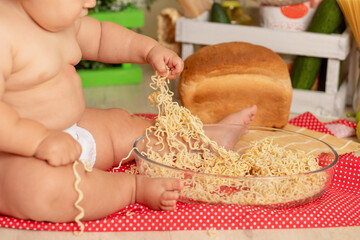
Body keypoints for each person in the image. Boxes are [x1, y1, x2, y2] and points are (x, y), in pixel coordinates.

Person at [0, 0, 257, 223]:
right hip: (18, 152)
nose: (90, 3)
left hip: (73, 133)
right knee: (47, 189)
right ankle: (130, 189)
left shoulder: (58, 19)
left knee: (121, 123)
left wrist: (148, 50)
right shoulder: (5, 31)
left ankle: (203, 139)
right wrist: (39, 141)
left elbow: (101, 36)